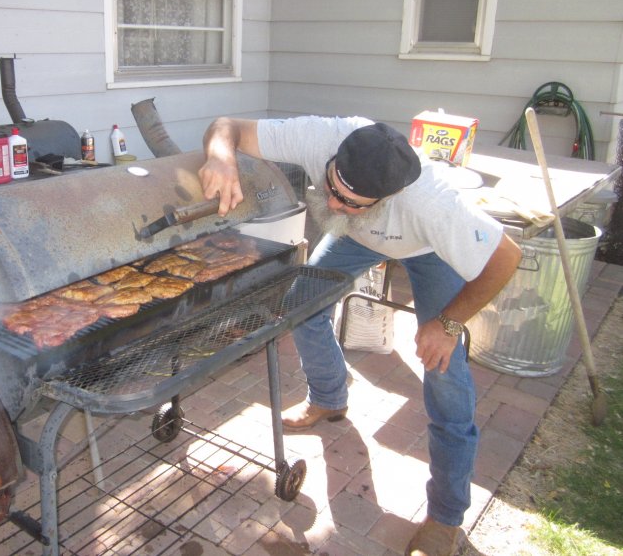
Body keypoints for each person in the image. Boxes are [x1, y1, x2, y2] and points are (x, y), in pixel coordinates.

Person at [198, 115, 522, 556]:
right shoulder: (323, 136)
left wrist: (448, 326)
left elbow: (506, 258)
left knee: (444, 371)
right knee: (302, 303)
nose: (333, 205)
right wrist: (221, 157)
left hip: (429, 248)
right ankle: (328, 398)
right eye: (331, 188)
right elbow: (227, 126)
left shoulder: (434, 204)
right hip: (360, 237)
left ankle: (446, 517)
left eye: (351, 202)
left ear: (388, 197)